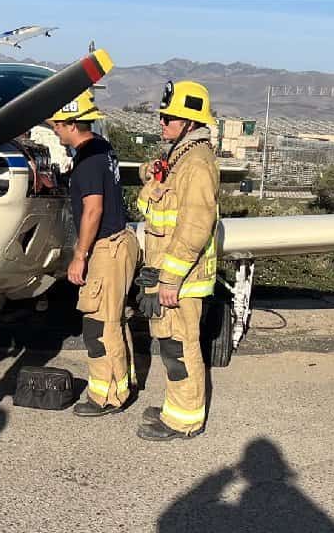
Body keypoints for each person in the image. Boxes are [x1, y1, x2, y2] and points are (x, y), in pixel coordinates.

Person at [135, 80, 219, 441]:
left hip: (182, 279)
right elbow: (158, 207)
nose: (162, 122)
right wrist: (152, 173)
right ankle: (175, 406)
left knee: (180, 346)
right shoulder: (180, 157)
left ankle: (184, 419)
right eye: (162, 115)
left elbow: (196, 226)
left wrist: (170, 279)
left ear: (188, 122)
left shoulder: (197, 164)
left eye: (169, 117)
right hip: (169, 274)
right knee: (170, 342)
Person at [47, 90, 139, 416]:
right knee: (113, 320)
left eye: (57, 126)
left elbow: (92, 210)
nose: (55, 131)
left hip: (105, 250)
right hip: (121, 242)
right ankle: (123, 383)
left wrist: (80, 255)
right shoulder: (101, 147)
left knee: (99, 325)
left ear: (72, 124)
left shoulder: (86, 162)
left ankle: (106, 396)